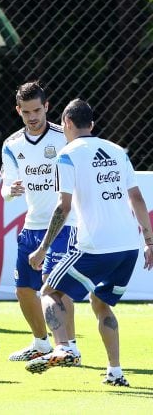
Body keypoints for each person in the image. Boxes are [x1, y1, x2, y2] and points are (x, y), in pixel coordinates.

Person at [26, 99, 153, 387]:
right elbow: (138, 200)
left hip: (96, 246)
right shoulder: (118, 152)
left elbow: (63, 207)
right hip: (128, 248)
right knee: (101, 303)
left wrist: (43, 247)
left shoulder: (68, 154)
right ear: (92, 125)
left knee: (49, 292)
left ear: (67, 123)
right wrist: (149, 242)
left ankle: (64, 347)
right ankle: (116, 372)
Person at [0, 82, 80, 362]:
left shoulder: (64, 138)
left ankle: (69, 346)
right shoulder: (12, 145)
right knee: (23, 289)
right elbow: (5, 189)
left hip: (64, 225)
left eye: (37, 110)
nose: (32, 117)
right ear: (18, 111)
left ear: (46, 107)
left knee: (57, 287)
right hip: (31, 225)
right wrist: (12, 190)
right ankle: (41, 343)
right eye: (26, 112)